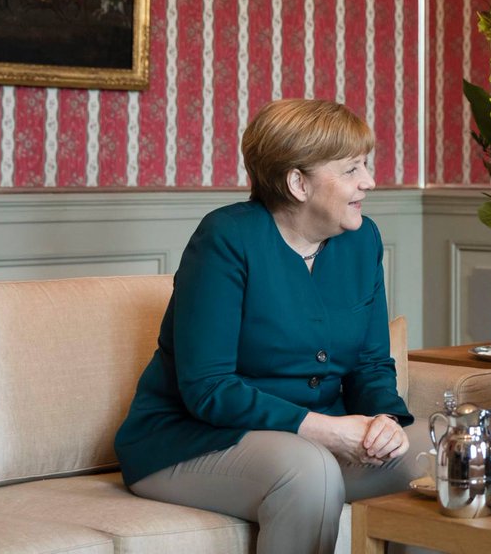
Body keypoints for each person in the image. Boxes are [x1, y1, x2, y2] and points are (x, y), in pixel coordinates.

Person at [115, 98, 423, 554]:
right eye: (351, 169)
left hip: (311, 438)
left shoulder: (362, 241)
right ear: (298, 182)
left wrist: (384, 419)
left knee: (439, 455)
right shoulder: (226, 239)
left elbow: (371, 363)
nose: (369, 181)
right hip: (192, 440)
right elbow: (209, 388)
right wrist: (326, 430)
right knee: (309, 470)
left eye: (366, 165)